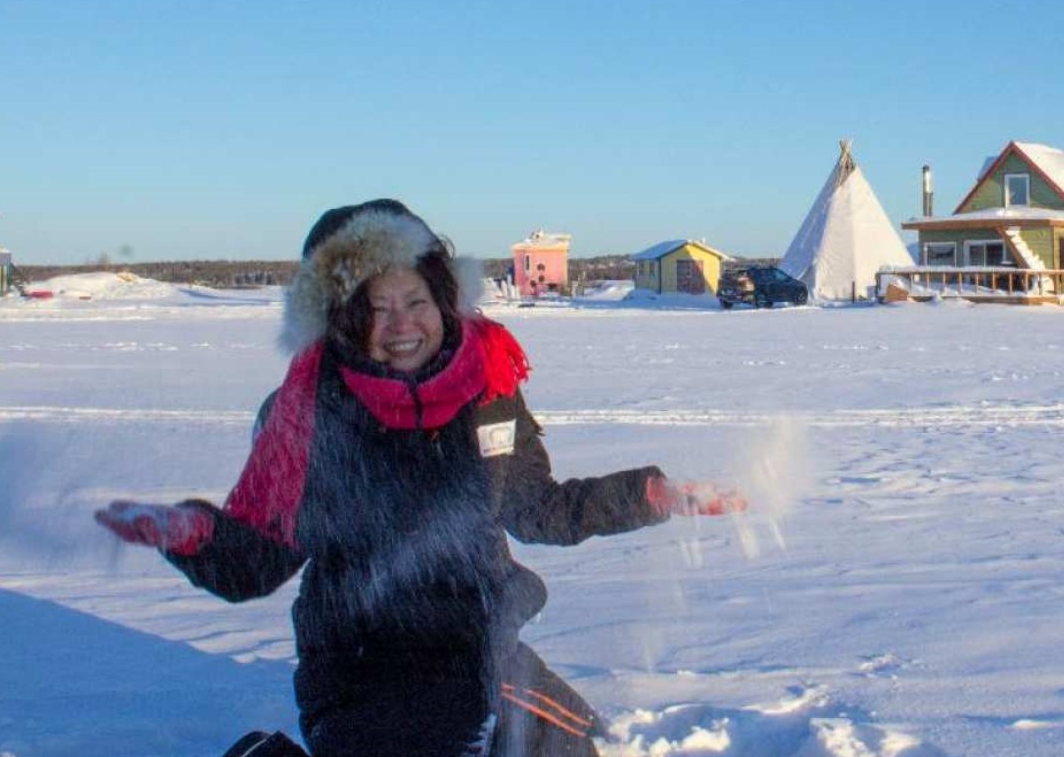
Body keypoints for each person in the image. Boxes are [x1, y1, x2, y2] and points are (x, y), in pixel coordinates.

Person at [96, 200, 744, 757]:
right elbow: (258, 560)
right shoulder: (307, 416)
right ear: (342, 321)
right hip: (362, 671)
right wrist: (193, 534)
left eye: (416, 300)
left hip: (479, 650)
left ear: (444, 299)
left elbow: (538, 507)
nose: (402, 325)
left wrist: (651, 495)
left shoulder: (488, 389)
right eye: (376, 309)